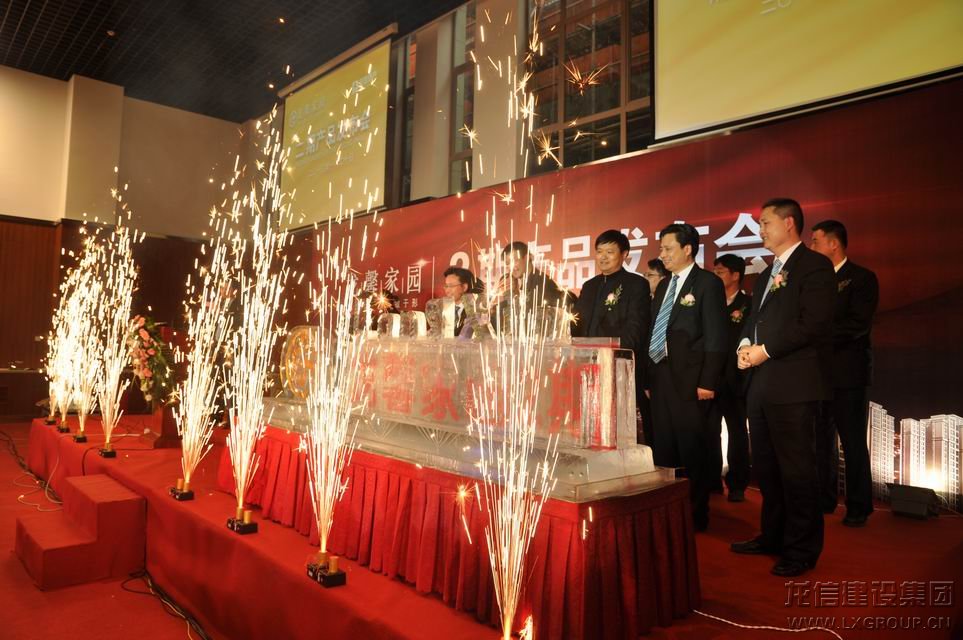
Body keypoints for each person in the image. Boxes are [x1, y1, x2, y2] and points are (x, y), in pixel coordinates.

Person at [731, 198, 835, 577]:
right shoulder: (766, 273)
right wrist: (745, 346)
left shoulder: (814, 266)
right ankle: (773, 536)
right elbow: (753, 321)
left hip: (794, 384)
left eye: (765, 222)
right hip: (761, 384)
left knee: (797, 470)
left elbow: (814, 324)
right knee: (768, 468)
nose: (760, 230)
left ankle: (802, 549)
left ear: (789, 223)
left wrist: (766, 350)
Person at [644, 223, 727, 531]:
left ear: (688, 249)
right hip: (661, 376)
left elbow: (716, 335)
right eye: (661, 249)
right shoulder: (665, 285)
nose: (662, 254)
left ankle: (695, 514)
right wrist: (649, 378)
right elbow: (655, 330)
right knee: (664, 449)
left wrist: (708, 381)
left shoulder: (707, 283)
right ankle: (669, 512)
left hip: (692, 380)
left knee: (693, 449)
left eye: (668, 248)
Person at [810, 219, 879, 527]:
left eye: (815, 241)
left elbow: (857, 325)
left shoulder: (861, 278)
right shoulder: (815, 281)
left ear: (833, 243)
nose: (811, 246)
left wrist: (815, 335)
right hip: (817, 374)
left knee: (851, 442)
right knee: (820, 441)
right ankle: (824, 499)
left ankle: (859, 506)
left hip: (848, 373)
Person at [572, 230, 651, 442]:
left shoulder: (636, 284)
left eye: (610, 252)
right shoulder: (589, 286)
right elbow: (576, 323)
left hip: (618, 368)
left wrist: (612, 353)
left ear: (624, 254)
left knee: (618, 432)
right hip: (585, 368)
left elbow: (636, 328)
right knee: (589, 429)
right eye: (599, 252)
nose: (603, 257)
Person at [709, 253, 752, 502]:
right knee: (709, 431)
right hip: (711, 378)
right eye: (714, 272)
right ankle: (712, 480)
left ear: (736, 275)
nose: (716, 276)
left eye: (720, 272)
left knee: (737, 432)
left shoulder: (749, 304)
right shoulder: (710, 301)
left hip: (737, 380)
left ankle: (737, 483)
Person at [442, 266, 477, 336]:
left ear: (464, 287)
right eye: (446, 286)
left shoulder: (475, 311)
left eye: (451, 286)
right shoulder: (443, 311)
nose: (447, 290)